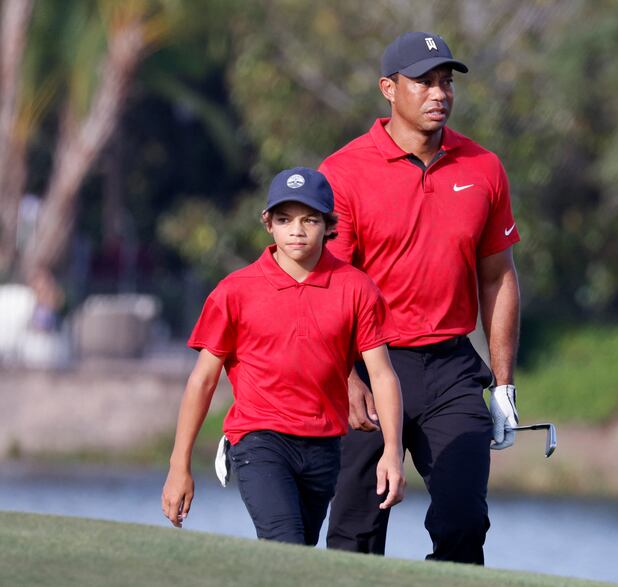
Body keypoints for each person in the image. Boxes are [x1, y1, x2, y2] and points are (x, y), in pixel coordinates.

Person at [321, 32, 521, 565]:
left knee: (464, 525)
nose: (440, 94)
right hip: (367, 364)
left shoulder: (483, 169)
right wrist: (344, 377)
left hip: (452, 370)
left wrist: (503, 386)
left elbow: (499, 278)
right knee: (355, 535)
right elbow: (326, 285)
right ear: (388, 89)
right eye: (425, 82)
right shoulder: (342, 173)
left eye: (447, 82)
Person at [161, 167, 405, 545]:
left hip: (325, 445)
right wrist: (180, 465)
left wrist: (391, 451)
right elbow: (203, 380)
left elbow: (383, 375)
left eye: (310, 220)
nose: (297, 230)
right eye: (284, 219)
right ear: (268, 224)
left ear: (328, 225)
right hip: (260, 440)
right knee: (284, 542)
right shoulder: (234, 291)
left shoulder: (356, 288)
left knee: (298, 558)